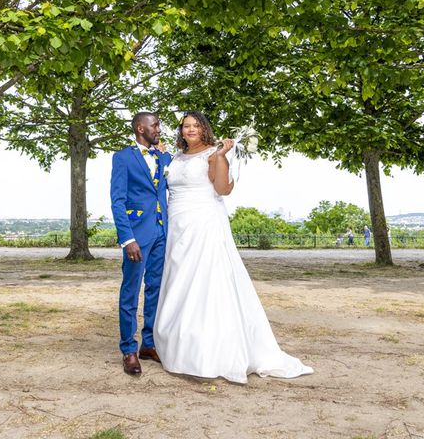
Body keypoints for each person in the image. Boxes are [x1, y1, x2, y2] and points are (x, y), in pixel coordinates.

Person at [153, 111, 313, 383]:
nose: (190, 130)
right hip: (177, 225)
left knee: (205, 282)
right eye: (185, 126)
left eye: (195, 126)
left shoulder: (213, 154)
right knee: (179, 281)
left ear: (205, 129)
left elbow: (223, 189)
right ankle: (180, 345)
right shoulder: (174, 158)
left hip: (204, 223)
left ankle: (210, 352)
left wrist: (222, 157)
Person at [110, 111, 172, 375]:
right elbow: (118, 201)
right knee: (131, 290)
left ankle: (148, 343)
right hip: (137, 236)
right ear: (140, 128)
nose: (158, 128)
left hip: (161, 233)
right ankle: (128, 349)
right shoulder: (122, 158)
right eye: (154, 125)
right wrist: (127, 239)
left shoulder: (163, 157)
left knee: (156, 289)